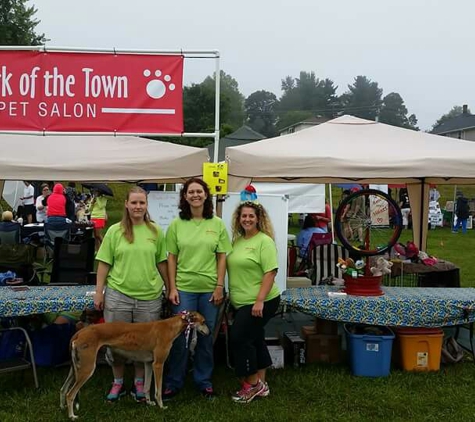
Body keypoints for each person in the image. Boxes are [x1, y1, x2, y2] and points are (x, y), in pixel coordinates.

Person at [94, 186, 168, 402]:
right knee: (115, 343)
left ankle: (138, 383)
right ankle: (117, 382)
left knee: (143, 345)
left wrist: (171, 287)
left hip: (149, 298)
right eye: (134, 202)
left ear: (146, 205)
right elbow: (104, 263)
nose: (138, 206)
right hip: (119, 297)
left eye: (142, 203)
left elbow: (162, 263)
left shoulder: (156, 231)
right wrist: (99, 292)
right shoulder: (114, 231)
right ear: (126, 204)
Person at [164, 178, 232, 400]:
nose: (195, 195)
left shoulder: (217, 224)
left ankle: (204, 381)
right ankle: (174, 381)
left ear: (206, 195)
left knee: (205, 336)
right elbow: (171, 258)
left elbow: (222, 257)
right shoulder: (176, 224)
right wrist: (172, 287)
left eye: (199, 191)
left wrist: (219, 285)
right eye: (191, 192)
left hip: (210, 290)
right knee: (180, 336)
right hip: (184, 289)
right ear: (185, 196)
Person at [227, 201, 280, 403]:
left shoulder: (264, 241)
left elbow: (270, 272)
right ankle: (262, 386)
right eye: (243, 216)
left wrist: (259, 301)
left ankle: (252, 385)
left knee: (240, 338)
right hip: (242, 302)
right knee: (255, 337)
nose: (247, 219)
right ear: (238, 219)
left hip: (262, 300)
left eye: (251, 216)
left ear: (258, 218)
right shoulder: (237, 241)